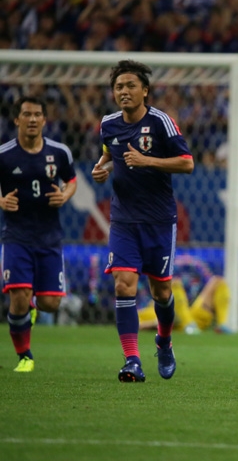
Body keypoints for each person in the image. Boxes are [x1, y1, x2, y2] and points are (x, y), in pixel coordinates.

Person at [91, 60, 194, 382]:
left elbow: (187, 163)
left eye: (130, 86)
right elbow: (111, 154)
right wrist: (101, 168)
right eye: (119, 87)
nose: (124, 91)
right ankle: (132, 359)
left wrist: (147, 160)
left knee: (161, 291)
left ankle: (163, 341)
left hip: (160, 220)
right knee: (123, 283)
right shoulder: (108, 124)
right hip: (123, 219)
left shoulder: (162, 122)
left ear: (145, 91)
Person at [0, 95, 77, 373]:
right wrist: (1, 201)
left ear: (45, 120)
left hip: (49, 237)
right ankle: (25, 356)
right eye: (27, 114)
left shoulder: (59, 152)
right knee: (19, 295)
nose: (32, 119)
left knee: (50, 304)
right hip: (16, 235)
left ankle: (32, 308)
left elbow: (71, 180)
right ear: (17, 120)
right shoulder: (4, 155)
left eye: (37, 115)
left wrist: (65, 196)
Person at [138, 275, 231, 334]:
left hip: (190, 315)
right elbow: (138, 326)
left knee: (218, 281)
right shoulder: (134, 318)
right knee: (174, 284)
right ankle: (189, 325)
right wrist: (158, 322)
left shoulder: (141, 311)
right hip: (179, 325)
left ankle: (221, 324)